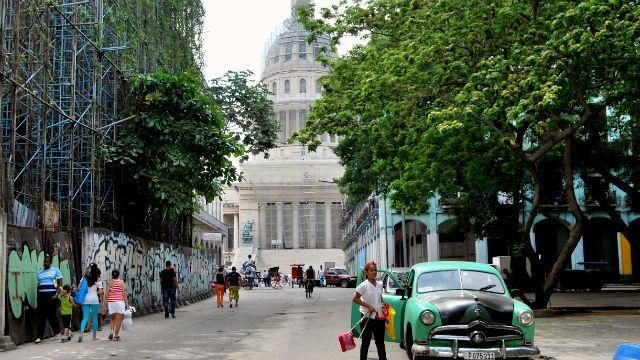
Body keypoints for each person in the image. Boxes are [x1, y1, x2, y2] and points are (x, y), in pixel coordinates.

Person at [352, 261, 387, 360]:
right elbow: (355, 299)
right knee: (366, 342)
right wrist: (368, 306)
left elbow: (379, 297)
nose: (374, 272)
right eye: (371, 270)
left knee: (380, 342)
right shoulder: (363, 285)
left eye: (375, 270)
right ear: (366, 272)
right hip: (366, 317)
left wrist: (383, 304)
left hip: (379, 316)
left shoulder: (380, 284)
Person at [35, 255, 63, 343]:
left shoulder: (55, 270)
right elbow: (38, 285)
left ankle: (57, 332)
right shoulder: (39, 272)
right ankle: (39, 337)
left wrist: (57, 294)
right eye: (44, 262)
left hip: (52, 296)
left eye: (47, 262)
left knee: (51, 315)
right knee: (41, 316)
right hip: (41, 297)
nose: (45, 263)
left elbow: (60, 283)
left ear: (50, 263)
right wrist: (38, 294)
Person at [78, 263, 103, 343]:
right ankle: (94, 336)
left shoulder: (84, 278)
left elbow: (79, 288)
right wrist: (101, 301)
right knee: (94, 318)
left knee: (85, 318)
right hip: (94, 300)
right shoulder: (98, 279)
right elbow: (100, 291)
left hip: (85, 300)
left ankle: (81, 335)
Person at [105, 269, 128, 341]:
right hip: (119, 302)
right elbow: (123, 294)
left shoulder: (109, 283)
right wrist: (127, 304)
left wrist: (105, 305)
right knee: (119, 319)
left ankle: (111, 332)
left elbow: (106, 294)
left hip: (111, 302)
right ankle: (116, 336)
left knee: (113, 318)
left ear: (112, 275)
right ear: (118, 275)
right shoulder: (121, 282)